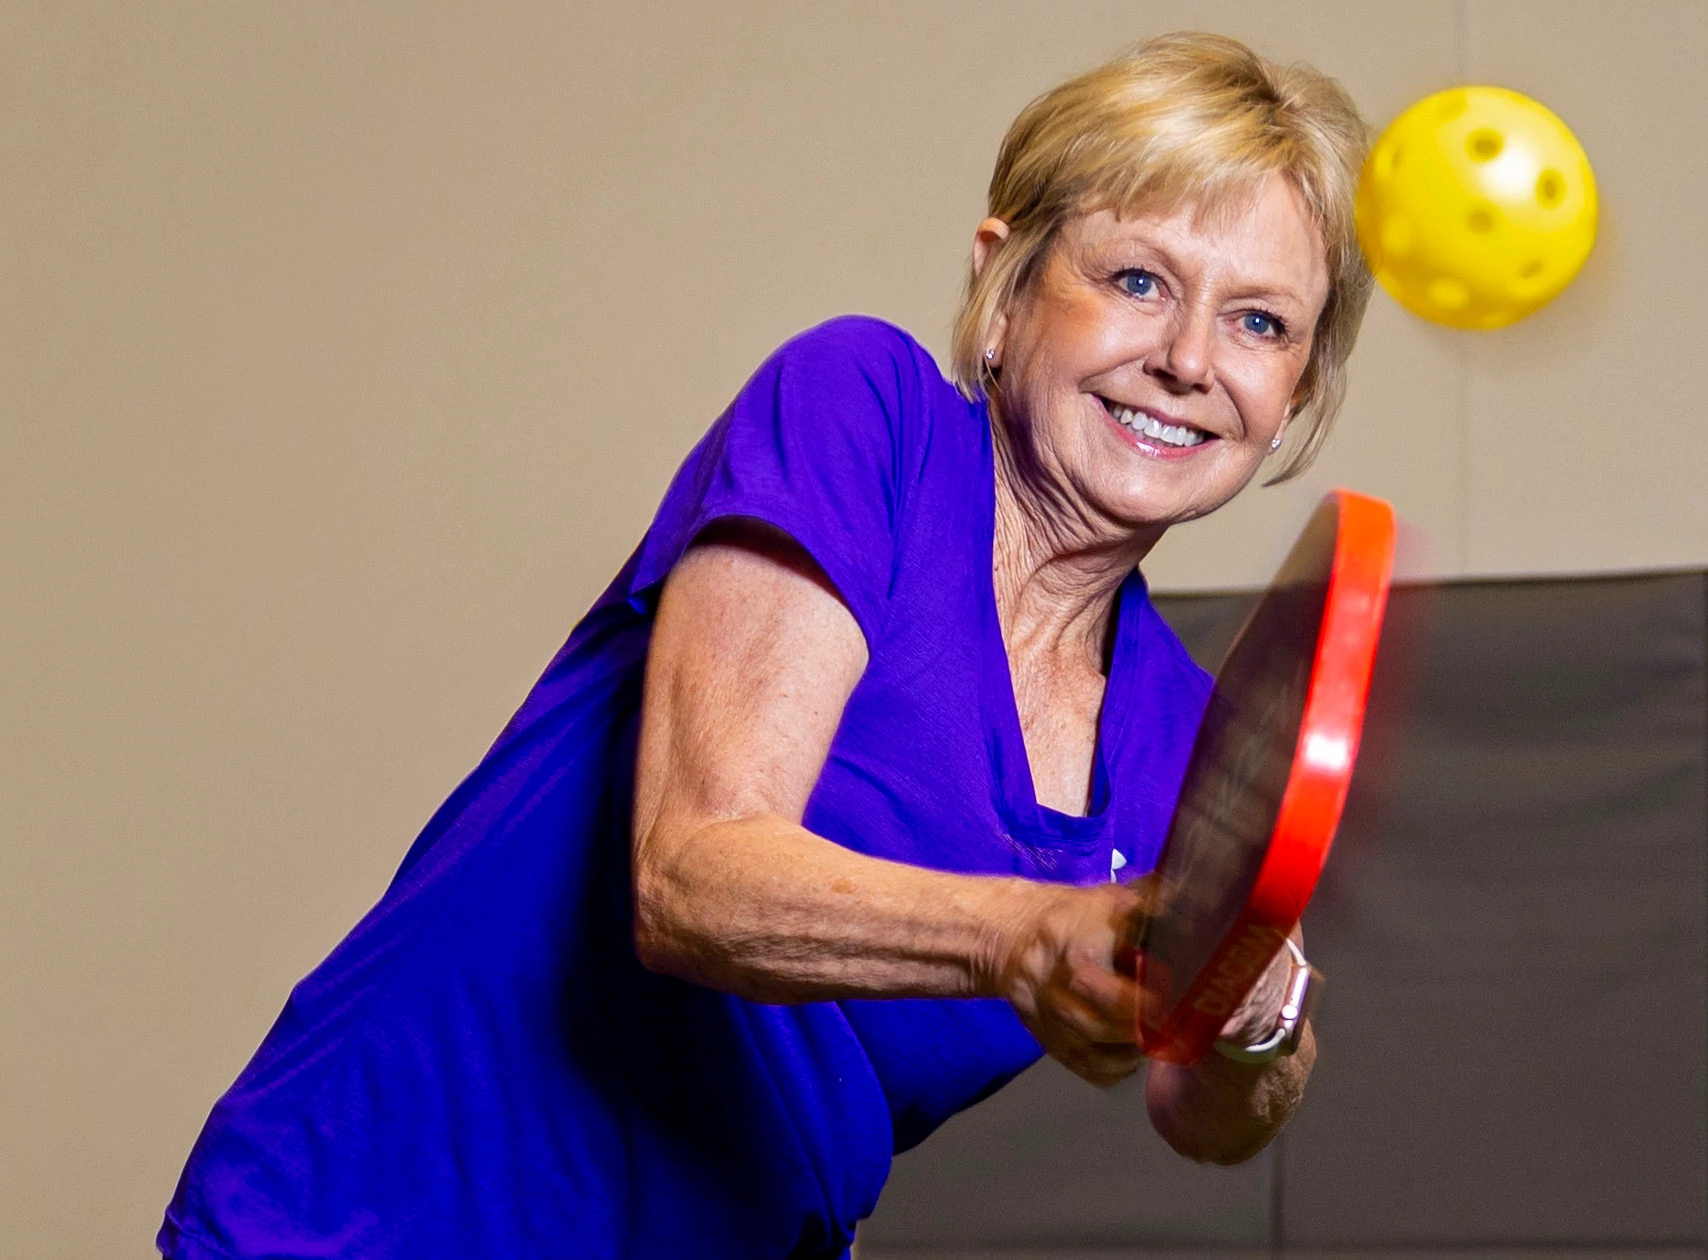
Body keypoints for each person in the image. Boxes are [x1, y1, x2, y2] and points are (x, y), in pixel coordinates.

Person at [159, 31, 1373, 1260]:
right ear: (1004, 292)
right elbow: (691, 878)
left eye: (1261, 323)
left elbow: (1213, 1116)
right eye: (1137, 281)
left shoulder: (1185, 735)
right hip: (381, 1212)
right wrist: (1020, 934)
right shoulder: (864, 414)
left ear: (1296, 399)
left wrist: (1260, 1020)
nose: (1188, 362)